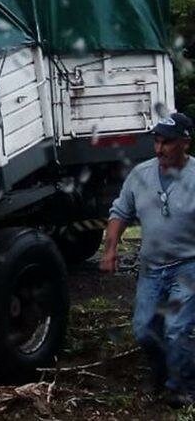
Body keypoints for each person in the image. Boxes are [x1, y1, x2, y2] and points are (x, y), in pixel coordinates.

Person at [100, 112, 195, 404]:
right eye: (156, 141)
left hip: (187, 267)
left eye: (166, 142)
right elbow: (120, 213)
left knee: (177, 328)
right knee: (144, 330)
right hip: (152, 268)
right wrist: (111, 249)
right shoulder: (140, 175)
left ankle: (183, 387)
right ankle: (161, 372)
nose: (159, 149)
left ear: (185, 143)